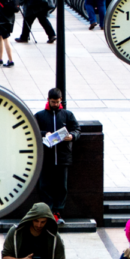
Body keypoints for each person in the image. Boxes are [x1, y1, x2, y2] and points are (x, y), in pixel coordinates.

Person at [33, 88, 79, 223]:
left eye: (57, 102)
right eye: (53, 102)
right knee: (44, 185)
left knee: (61, 186)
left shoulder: (67, 115)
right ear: (48, 100)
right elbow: (32, 129)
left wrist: (72, 136)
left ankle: (57, 212)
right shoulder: (40, 115)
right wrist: (43, 134)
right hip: (46, 158)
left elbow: (77, 129)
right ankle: (48, 211)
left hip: (63, 157)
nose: (55, 104)